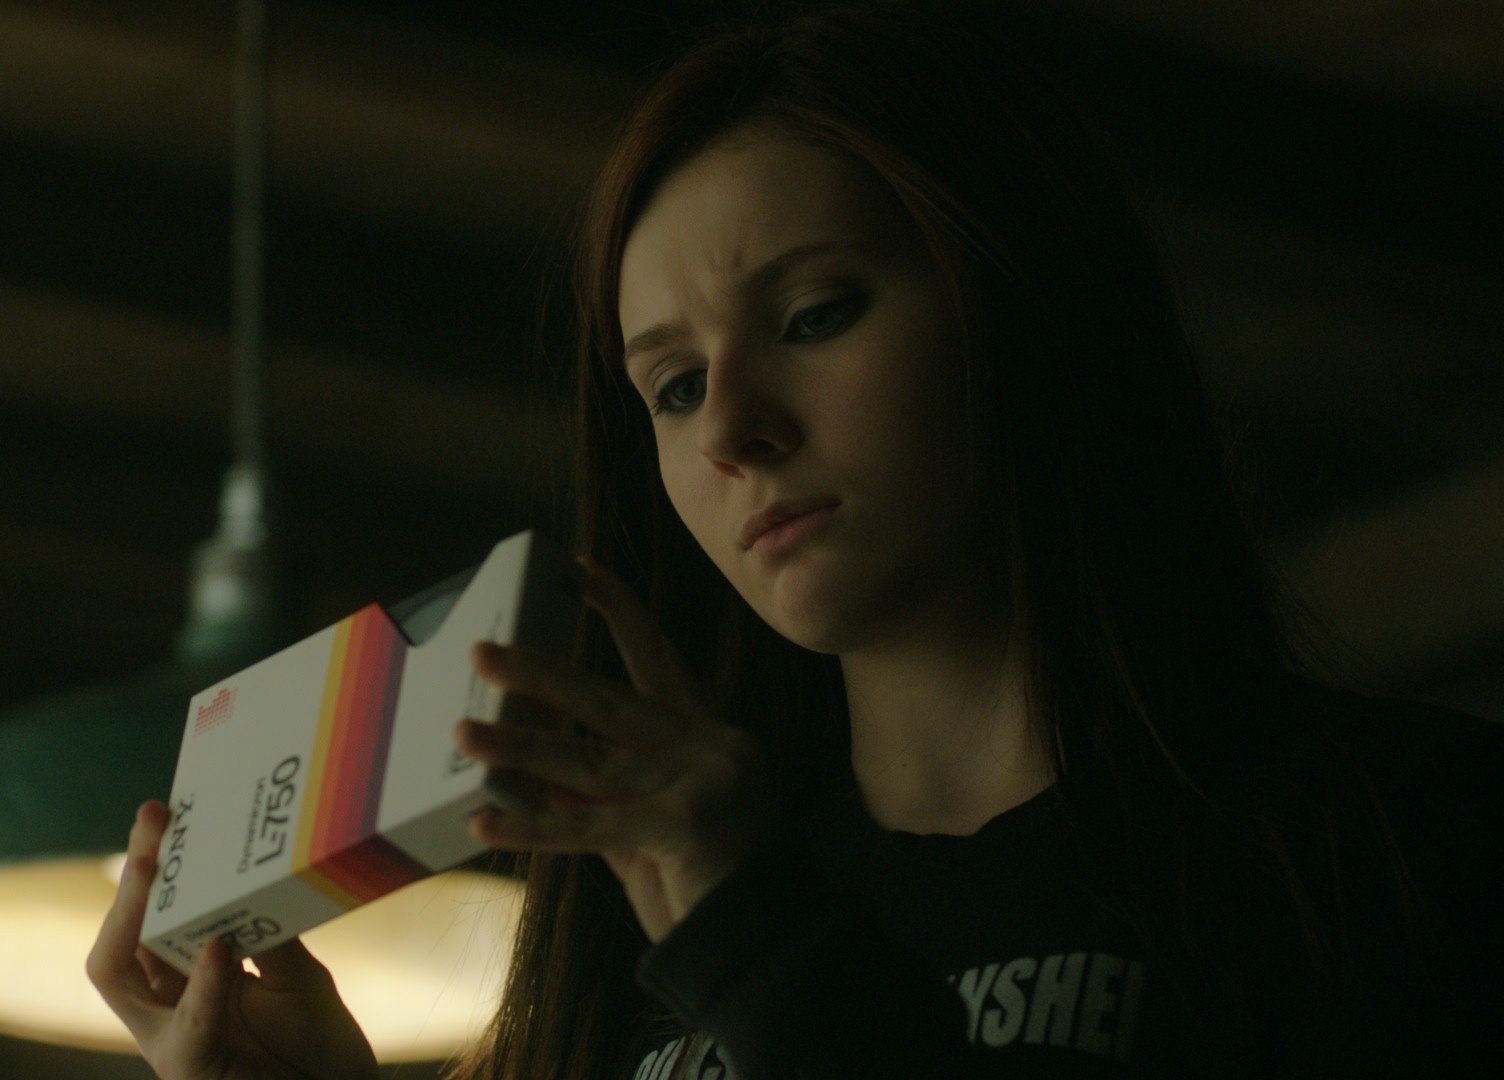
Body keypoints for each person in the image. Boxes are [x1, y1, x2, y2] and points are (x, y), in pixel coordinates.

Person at [88, 3, 1504, 1077]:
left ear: (1024, 304)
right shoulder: (626, 931)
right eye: (672, 385)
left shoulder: (1405, 838)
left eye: (816, 315)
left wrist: (756, 941)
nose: (731, 429)